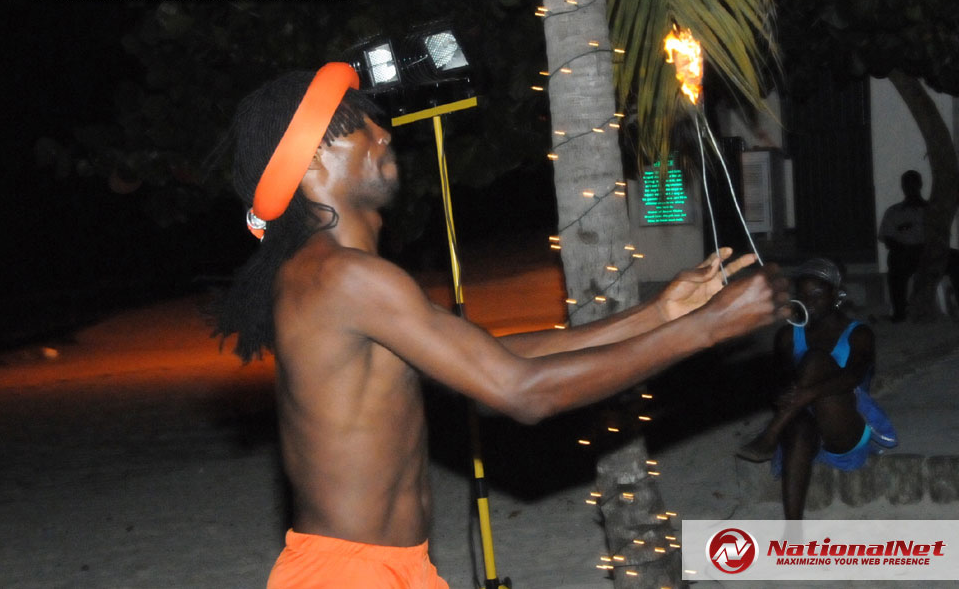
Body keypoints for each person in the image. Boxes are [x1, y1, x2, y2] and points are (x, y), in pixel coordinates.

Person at [215, 64, 790, 588]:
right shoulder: (344, 276)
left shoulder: (340, 276)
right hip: (349, 575)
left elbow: (494, 356)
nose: (383, 132)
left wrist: (659, 314)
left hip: (390, 567)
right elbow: (521, 393)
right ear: (310, 163)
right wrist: (708, 329)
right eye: (355, 126)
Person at [736, 258, 897, 519]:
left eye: (817, 295)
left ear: (836, 294)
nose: (809, 302)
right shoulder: (788, 336)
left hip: (843, 422)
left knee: (816, 360)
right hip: (804, 421)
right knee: (799, 427)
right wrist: (783, 394)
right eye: (804, 296)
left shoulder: (859, 333)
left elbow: (854, 377)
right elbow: (776, 385)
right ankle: (793, 531)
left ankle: (771, 434)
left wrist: (807, 394)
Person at [878, 170, 928, 322]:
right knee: (896, 262)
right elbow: (887, 238)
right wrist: (905, 248)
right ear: (902, 187)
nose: (910, 188)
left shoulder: (932, 210)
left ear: (920, 185)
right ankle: (899, 312)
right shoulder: (894, 212)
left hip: (929, 252)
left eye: (913, 184)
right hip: (905, 253)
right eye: (906, 184)